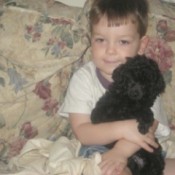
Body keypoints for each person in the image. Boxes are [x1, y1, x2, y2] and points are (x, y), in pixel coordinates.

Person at [59, 0, 175, 174]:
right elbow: (83, 132)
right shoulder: (83, 78)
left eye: (123, 42)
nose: (110, 50)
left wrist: (122, 151)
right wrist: (122, 132)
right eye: (101, 40)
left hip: (142, 149)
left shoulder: (146, 79)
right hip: (101, 152)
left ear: (142, 45)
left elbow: (149, 126)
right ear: (91, 41)